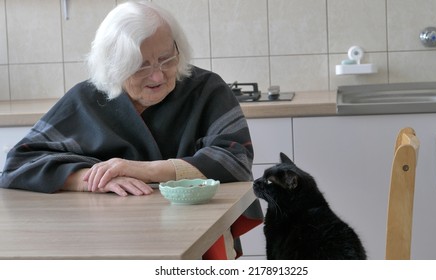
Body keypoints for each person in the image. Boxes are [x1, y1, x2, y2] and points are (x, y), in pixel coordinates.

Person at [0, 1, 254, 197]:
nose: (157, 75)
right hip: (106, 233)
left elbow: (236, 161)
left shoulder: (206, 90)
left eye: (166, 59)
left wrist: (143, 170)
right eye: (141, 66)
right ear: (114, 66)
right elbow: (17, 165)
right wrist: (93, 180)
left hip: (197, 226)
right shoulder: (86, 99)